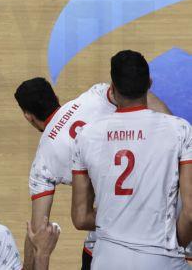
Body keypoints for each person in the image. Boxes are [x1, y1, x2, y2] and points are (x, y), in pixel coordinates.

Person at [14, 77, 170, 270]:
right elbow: (139, 94)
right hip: (159, 211)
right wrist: (171, 127)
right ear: (55, 96)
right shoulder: (95, 94)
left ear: (28, 116)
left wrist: (27, 267)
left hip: (111, 232)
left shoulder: (42, 161)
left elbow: (38, 230)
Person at [71, 50, 191, 270]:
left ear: (113, 89)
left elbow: (80, 218)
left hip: (106, 261)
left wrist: (119, 215)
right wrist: (178, 241)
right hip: (161, 260)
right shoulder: (180, 129)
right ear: (149, 83)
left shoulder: (86, 136)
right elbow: (190, 211)